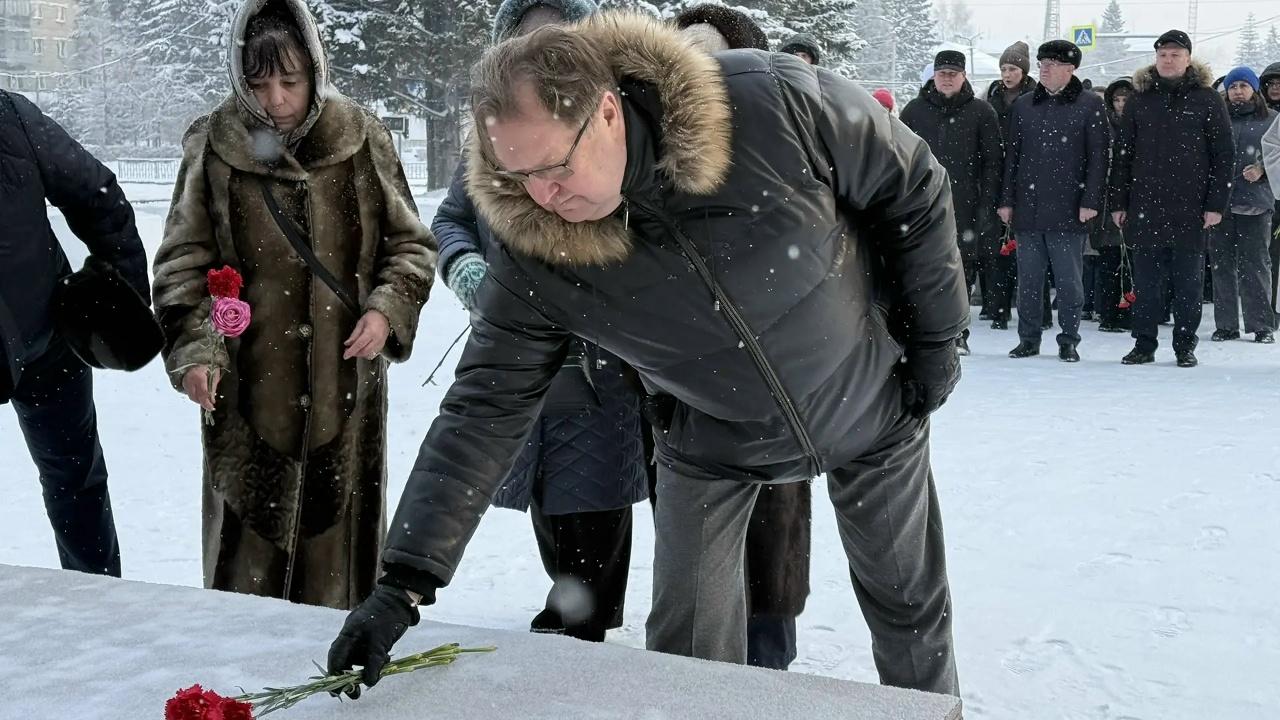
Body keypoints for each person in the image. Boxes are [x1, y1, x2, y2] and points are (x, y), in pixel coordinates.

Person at [329, 13, 966, 699]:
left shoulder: (769, 102)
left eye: (555, 167)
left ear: (607, 111)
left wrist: (933, 342)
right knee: (685, 649)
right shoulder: (537, 244)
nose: (543, 195)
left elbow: (913, 185)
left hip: (869, 402)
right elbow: (484, 407)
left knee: (909, 612)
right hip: (710, 439)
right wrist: (404, 580)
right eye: (519, 177)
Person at [151, 0, 436, 610]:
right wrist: (197, 349)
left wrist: (386, 309)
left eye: (290, 80)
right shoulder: (213, 146)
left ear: (315, 69)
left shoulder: (361, 138)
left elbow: (410, 243)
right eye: (258, 84)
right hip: (247, 396)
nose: (276, 99)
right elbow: (182, 262)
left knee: (337, 583)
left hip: (345, 396)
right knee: (244, 581)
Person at [435, 0, 648, 646]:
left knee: (594, 493)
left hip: (596, 361)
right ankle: (571, 601)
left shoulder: (611, 129)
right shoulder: (494, 140)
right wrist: (466, 267)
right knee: (547, 496)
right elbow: (451, 220)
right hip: (519, 359)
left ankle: (581, 618)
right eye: (527, 42)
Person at [673, 2, 813, 671]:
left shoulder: (785, 136)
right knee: (699, 539)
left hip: (777, 366)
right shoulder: (660, 149)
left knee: (775, 522)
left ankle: (767, 653)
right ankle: (705, 665)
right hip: (687, 376)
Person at [0, 91, 151, 577]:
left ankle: (99, 602)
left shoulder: (10, 118)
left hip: (46, 340)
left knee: (77, 483)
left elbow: (96, 195)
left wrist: (118, 294)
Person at [1109, 29, 1233, 367]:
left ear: (1188, 59)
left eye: (1175, 54)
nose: (1168, 60)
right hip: (1146, 205)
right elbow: (1122, 156)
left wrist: (1214, 205)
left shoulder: (1207, 99)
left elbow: (1224, 155)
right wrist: (1119, 202)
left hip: (1191, 209)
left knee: (1188, 285)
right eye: (1163, 54)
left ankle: (1184, 346)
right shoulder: (1139, 99)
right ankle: (1144, 343)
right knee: (1147, 283)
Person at [999, 40, 1108, 362]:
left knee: (1068, 281)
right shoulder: (1024, 105)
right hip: (1028, 206)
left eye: (1053, 63)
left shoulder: (1089, 105)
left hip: (1069, 207)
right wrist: (1006, 200)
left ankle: (1068, 338)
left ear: (1070, 69)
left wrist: (1090, 200)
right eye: (1042, 62)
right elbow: (1012, 158)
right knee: (1029, 280)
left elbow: (1098, 158)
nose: (1045, 68)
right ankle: (1028, 338)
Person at [901, 50, 1003, 352]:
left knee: (960, 274)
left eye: (953, 73)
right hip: (921, 206)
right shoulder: (914, 111)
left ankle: (958, 334)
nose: (947, 78)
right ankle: (923, 332)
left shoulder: (982, 113)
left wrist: (988, 203)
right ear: (933, 75)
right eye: (942, 73)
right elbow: (900, 157)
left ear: (964, 77)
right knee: (921, 270)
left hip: (965, 207)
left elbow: (993, 163)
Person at [1209, 66, 1277, 344]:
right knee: (1221, 266)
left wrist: (1262, 170)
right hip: (1220, 205)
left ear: (1254, 90)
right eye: (1232, 86)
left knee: (1256, 265)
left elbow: (1278, 154)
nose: (1237, 91)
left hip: (1256, 204)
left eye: (1243, 86)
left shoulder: (1272, 120)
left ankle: (1261, 325)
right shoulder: (1216, 119)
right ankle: (1225, 325)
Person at [985, 41, 1043, 329]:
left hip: (1028, 175)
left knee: (1032, 247)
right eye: (1004, 69)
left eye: (1013, 69)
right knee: (1001, 245)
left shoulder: (1035, 97)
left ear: (1024, 71)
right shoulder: (991, 97)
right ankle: (998, 308)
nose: (1007, 74)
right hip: (998, 173)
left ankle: (1037, 310)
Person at [1094, 77, 1135, 333]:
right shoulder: (1103, 127)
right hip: (1108, 201)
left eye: (1126, 99)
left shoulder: (1143, 125)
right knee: (1109, 259)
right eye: (1117, 100)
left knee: (1132, 260)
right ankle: (1107, 311)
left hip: (1136, 200)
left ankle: (1129, 312)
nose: (1121, 105)